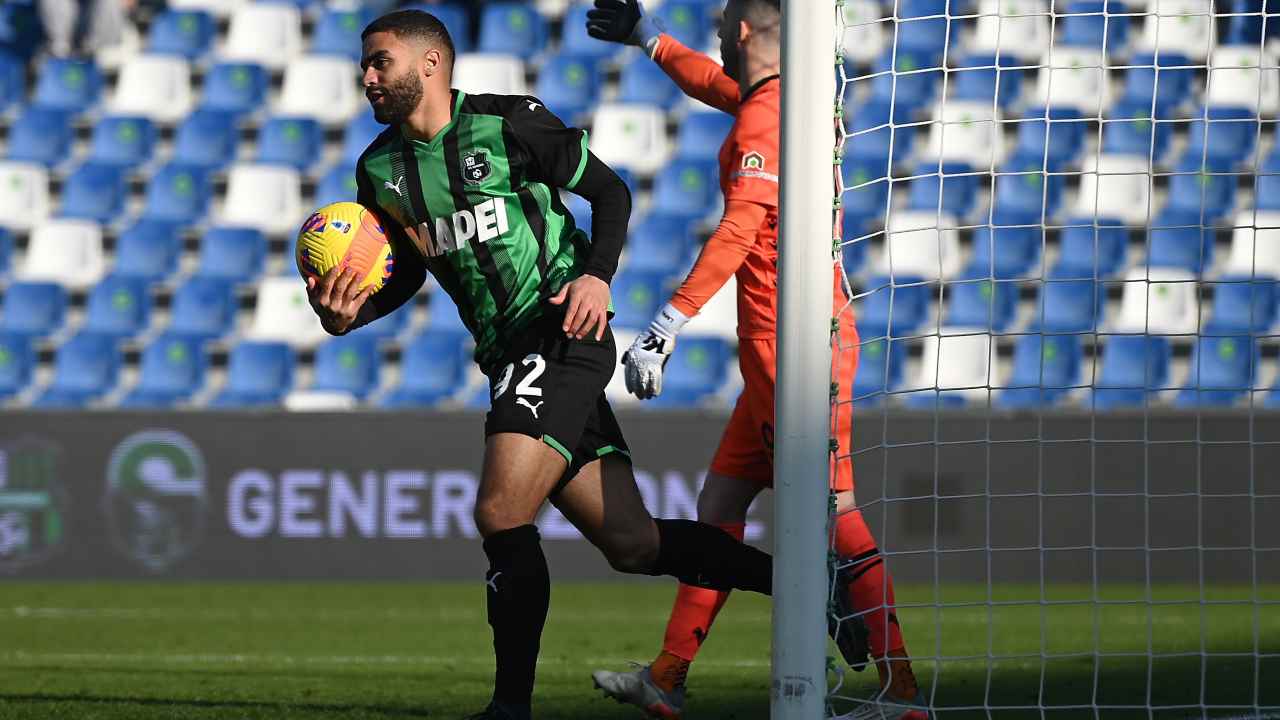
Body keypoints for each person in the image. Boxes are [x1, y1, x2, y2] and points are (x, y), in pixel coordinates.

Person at [304, 10, 777, 720]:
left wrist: (596, 275)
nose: (367, 76)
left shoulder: (509, 123)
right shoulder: (378, 171)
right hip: (508, 354)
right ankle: (811, 588)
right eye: (365, 66)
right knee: (633, 542)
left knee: (500, 510)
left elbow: (610, 192)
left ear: (431, 64)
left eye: (381, 62)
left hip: (560, 331)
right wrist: (355, 312)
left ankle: (509, 709)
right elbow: (406, 269)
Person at [585, 1, 929, 718]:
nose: (717, 39)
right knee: (719, 506)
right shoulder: (788, 102)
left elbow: (741, 227)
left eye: (721, 26)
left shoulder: (767, 116)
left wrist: (667, 323)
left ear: (742, 30)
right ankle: (668, 675)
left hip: (796, 350)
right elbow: (715, 83)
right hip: (782, 346)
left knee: (835, 509)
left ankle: (901, 689)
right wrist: (650, 38)